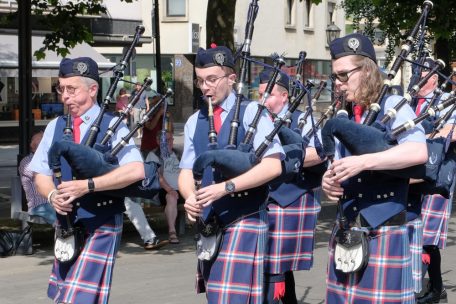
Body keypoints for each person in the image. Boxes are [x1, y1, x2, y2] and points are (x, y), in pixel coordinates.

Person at [322, 33, 428, 303]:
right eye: (335, 76)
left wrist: (364, 161)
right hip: (346, 227)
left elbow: (418, 151)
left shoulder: (393, 105)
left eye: (344, 75)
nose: (338, 83)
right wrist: (330, 180)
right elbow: (337, 163)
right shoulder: (345, 113)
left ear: (367, 70)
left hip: (383, 230)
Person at [29, 57, 145, 304]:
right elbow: (39, 173)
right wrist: (52, 195)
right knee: (64, 296)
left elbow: (136, 170)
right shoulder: (55, 126)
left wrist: (88, 185)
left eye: (72, 89)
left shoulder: (113, 124)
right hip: (66, 225)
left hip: (101, 222)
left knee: (77, 299)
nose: (65, 97)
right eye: (61, 89)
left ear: (93, 90)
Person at [178, 46, 284, 303]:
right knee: (217, 295)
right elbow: (185, 171)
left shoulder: (252, 112)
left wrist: (225, 187)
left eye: (212, 79)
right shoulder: (195, 120)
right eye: (200, 80)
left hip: (244, 217)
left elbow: (273, 166)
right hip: (210, 223)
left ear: (231, 79)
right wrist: (190, 197)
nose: (205, 87)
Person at [258, 68, 323, 303]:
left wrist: (282, 158)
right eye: (259, 94)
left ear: (284, 96)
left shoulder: (302, 118)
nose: (262, 100)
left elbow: (318, 153)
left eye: (268, 94)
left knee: (276, 264)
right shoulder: (258, 120)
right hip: (264, 199)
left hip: (292, 199)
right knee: (273, 265)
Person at [413, 58, 453, 304]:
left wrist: (418, 137)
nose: (418, 77)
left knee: (428, 236)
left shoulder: (447, 102)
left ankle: (426, 289)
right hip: (414, 175)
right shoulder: (411, 103)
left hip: (438, 176)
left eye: (423, 74)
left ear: (435, 79)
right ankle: (436, 288)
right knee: (419, 233)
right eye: (416, 72)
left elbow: (452, 132)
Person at [145, 131, 183, 244]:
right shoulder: (154, 155)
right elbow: (156, 176)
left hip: (182, 189)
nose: (170, 142)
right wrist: (170, 190)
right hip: (164, 191)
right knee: (171, 197)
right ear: (158, 141)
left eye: (171, 139)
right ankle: (172, 232)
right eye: (166, 140)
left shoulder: (178, 153)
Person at [18, 131, 57, 225]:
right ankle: (65, 236)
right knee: (63, 220)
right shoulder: (27, 161)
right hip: (40, 206)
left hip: (53, 203)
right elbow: (47, 176)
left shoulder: (49, 160)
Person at [140, 93, 173, 158]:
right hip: (148, 149)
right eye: (156, 104)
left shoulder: (164, 116)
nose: (159, 106)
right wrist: (159, 113)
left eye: (160, 104)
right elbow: (150, 127)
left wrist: (168, 118)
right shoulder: (147, 116)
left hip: (160, 149)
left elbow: (169, 131)